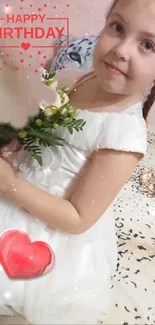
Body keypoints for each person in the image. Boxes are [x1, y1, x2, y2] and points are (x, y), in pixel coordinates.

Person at [0, 0, 154, 323]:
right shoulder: (87, 78)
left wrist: (11, 184)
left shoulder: (124, 135)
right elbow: (49, 130)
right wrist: (19, 143)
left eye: (148, 45)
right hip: (24, 178)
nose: (122, 50)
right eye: (118, 28)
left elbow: (79, 217)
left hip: (52, 223)